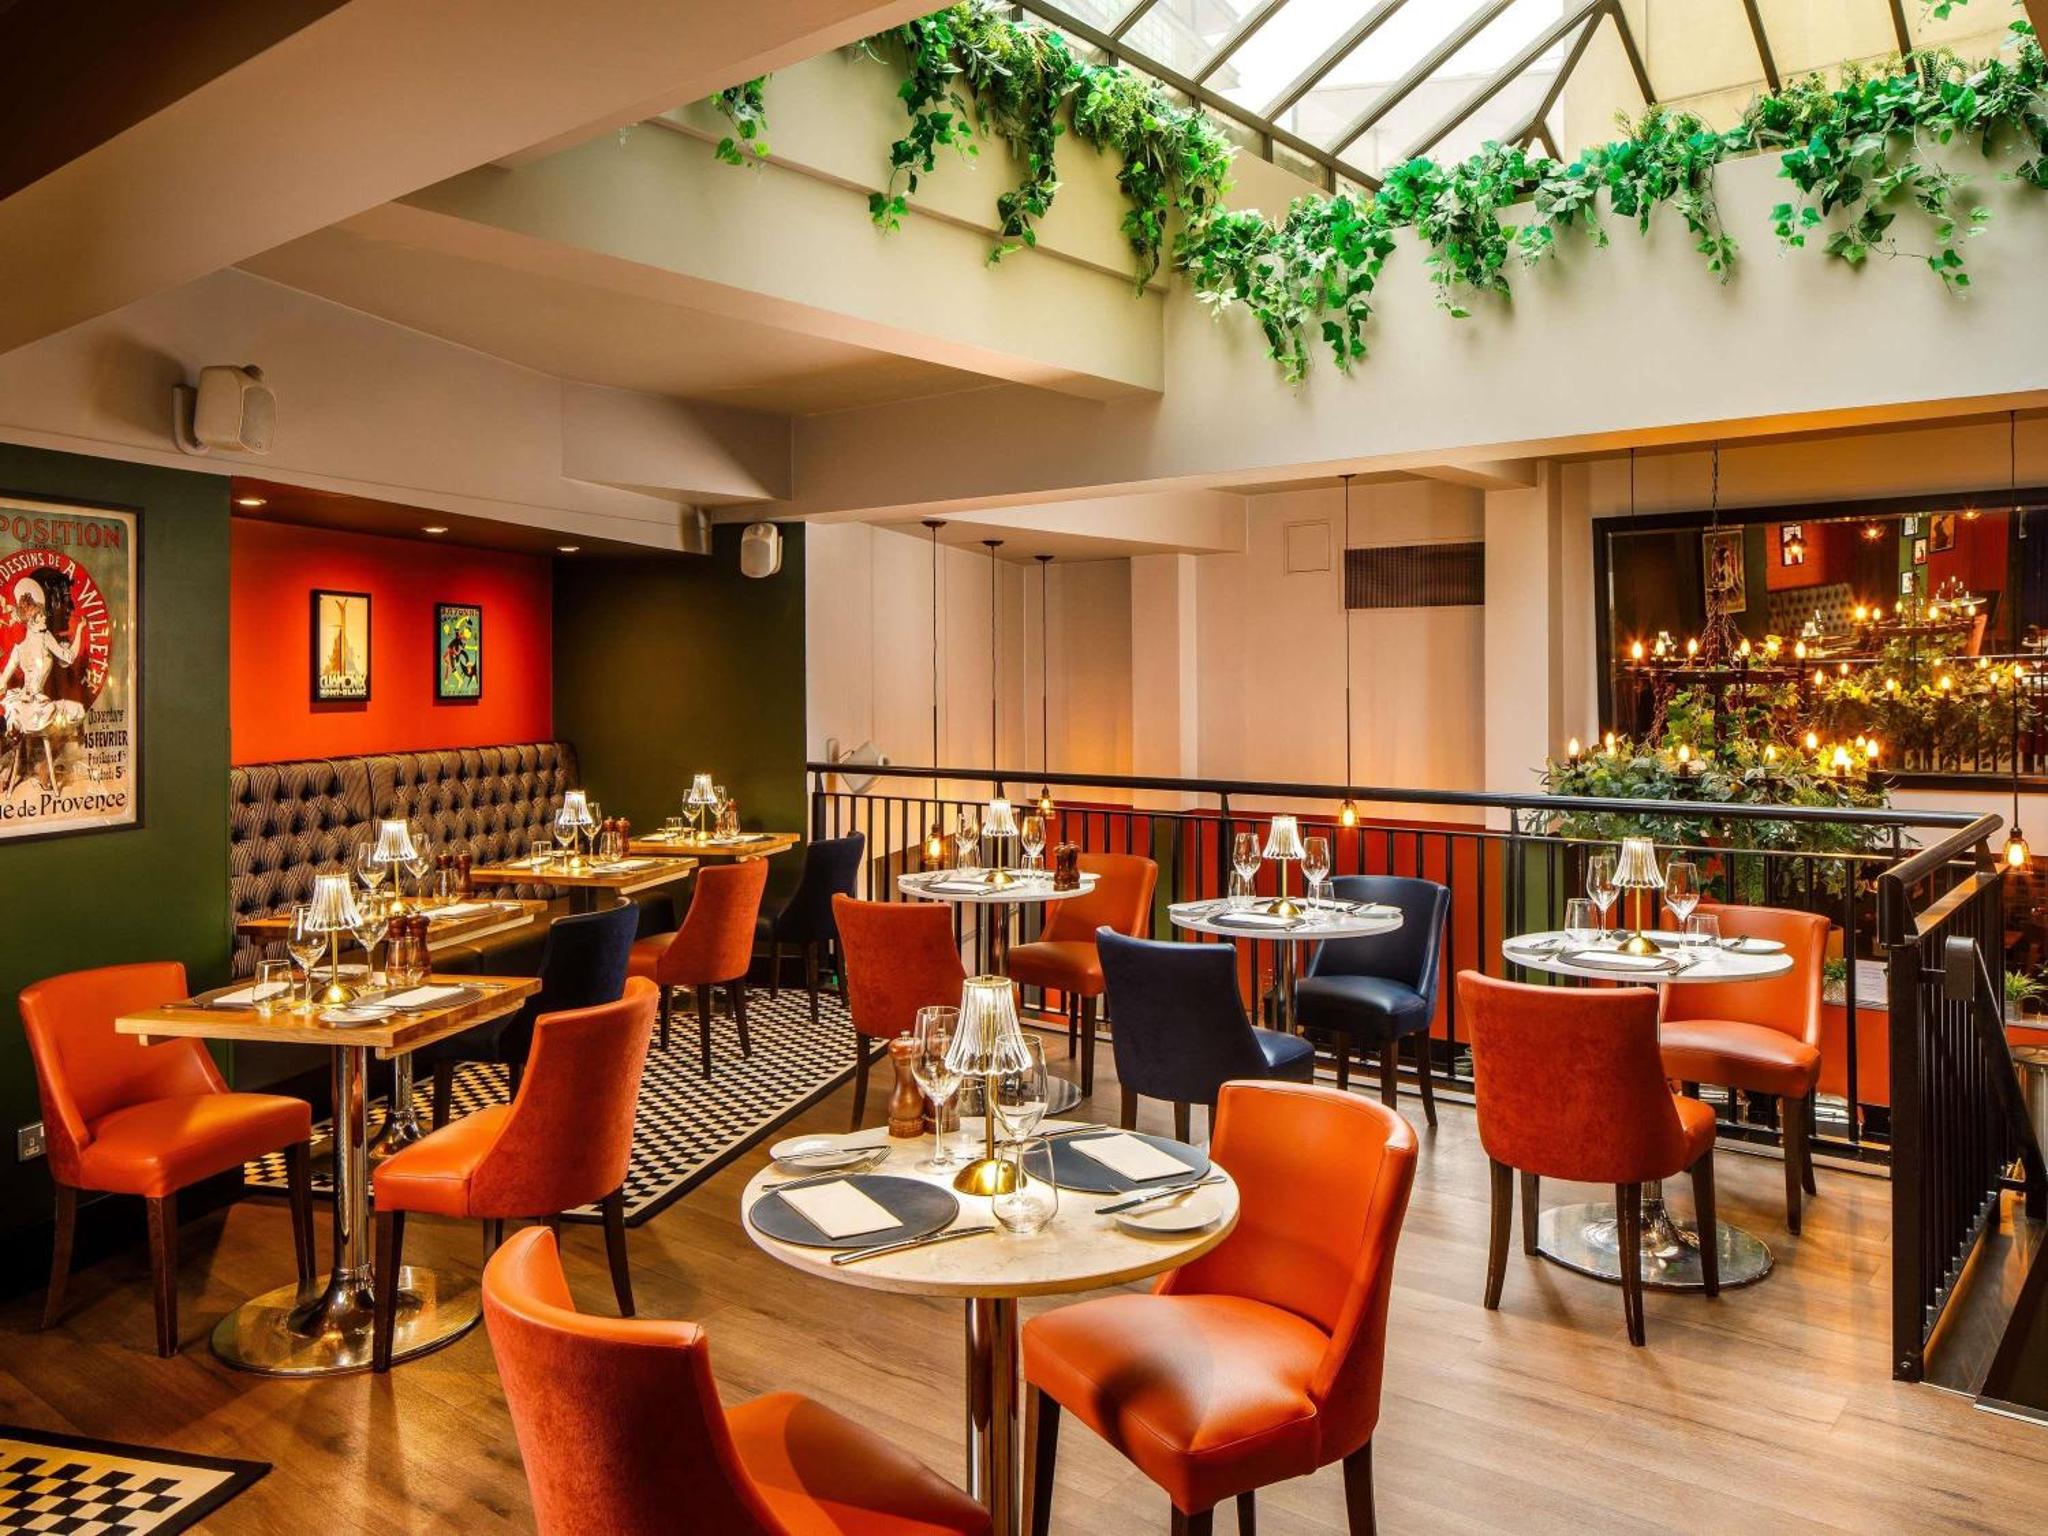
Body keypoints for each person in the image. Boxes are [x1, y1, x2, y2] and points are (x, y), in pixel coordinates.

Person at [0, 576, 86, 737]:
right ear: (31, 621)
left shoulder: (19, 647)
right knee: (78, 711)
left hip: (20, 707)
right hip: (37, 708)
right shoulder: (45, 637)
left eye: (44, 614)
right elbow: (69, 657)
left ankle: (18, 729)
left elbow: (2, 681)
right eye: (41, 615)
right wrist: (80, 629)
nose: (45, 617)